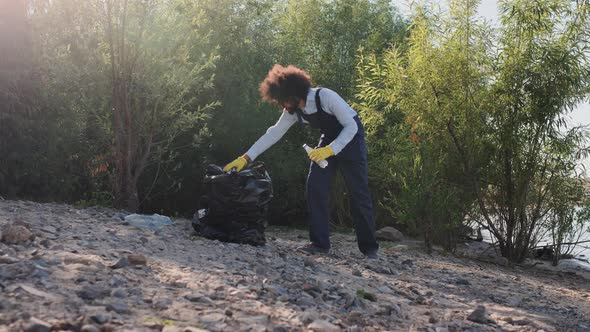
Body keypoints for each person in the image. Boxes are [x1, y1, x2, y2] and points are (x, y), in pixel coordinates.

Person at [223, 64, 379, 259]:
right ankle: (320, 244)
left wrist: (330, 150)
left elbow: (350, 126)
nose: (282, 106)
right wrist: (245, 158)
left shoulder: (326, 96)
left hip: (352, 138)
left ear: (295, 93)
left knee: (358, 192)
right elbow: (274, 133)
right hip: (328, 139)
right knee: (315, 186)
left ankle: (369, 248)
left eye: (284, 101)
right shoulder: (293, 110)